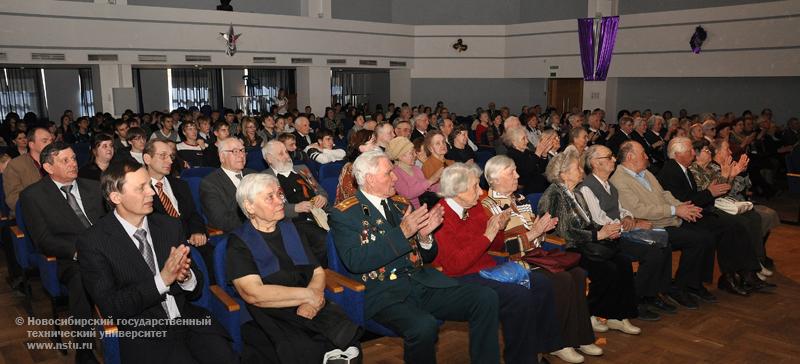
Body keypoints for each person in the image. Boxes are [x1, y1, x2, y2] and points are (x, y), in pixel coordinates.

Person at [330, 150, 500, 364]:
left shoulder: (401, 204)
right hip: (383, 293)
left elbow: (426, 256)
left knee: (485, 298)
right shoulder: (345, 214)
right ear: (369, 179)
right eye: (389, 173)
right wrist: (402, 233)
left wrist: (425, 237)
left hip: (419, 282)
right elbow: (355, 261)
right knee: (423, 326)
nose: (395, 177)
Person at [77, 158, 236, 363]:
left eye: (149, 185)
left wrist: (185, 277)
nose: (151, 192)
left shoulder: (169, 226)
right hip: (145, 333)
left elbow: (196, 290)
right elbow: (111, 308)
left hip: (189, 320)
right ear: (116, 196)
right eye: (141, 188)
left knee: (226, 356)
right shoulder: (93, 242)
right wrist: (162, 280)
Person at [434, 163, 577, 364]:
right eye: (475, 186)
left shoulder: (473, 208)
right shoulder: (441, 216)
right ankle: (521, 359)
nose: (481, 191)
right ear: (458, 191)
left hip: (486, 269)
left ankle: (539, 350)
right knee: (518, 296)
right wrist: (488, 234)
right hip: (460, 278)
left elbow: (497, 245)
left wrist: (498, 228)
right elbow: (456, 265)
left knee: (541, 284)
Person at [226, 173, 361, 363]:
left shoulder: (291, 228)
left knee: (349, 340)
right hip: (270, 311)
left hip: (309, 301)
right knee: (303, 349)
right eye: (270, 197)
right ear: (249, 206)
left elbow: (317, 271)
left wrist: (312, 301)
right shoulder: (239, 242)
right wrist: (307, 296)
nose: (280, 201)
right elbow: (253, 293)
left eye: (279, 194)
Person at [481, 155, 598, 364]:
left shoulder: (520, 199)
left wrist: (542, 229)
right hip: (512, 263)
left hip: (535, 256)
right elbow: (497, 247)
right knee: (561, 279)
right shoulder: (487, 206)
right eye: (512, 172)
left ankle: (578, 337)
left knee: (577, 273)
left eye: (516, 170)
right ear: (495, 178)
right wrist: (534, 234)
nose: (518, 175)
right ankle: (556, 343)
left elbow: (535, 232)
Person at [537, 151, 641, 338]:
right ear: (563, 174)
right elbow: (563, 231)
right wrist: (597, 235)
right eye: (576, 167)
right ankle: (592, 312)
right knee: (606, 269)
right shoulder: (553, 194)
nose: (580, 170)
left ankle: (618, 316)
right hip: (566, 247)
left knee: (623, 262)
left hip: (585, 243)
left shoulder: (575, 192)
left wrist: (605, 229)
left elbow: (589, 222)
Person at [21, 142, 106, 364]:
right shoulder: (33, 195)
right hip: (70, 258)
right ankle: (84, 349)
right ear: (48, 168)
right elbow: (43, 240)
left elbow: (110, 223)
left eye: (74, 159)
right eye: (65, 160)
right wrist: (78, 252)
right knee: (81, 278)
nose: (73, 164)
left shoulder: (94, 187)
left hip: (105, 249)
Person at [609, 140, 719, 307]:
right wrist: (675, 210)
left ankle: (691, 284)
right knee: (698, 239)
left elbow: (664, 194)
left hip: (668, 219)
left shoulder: (645, 172)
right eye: (643, 154)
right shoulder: (619, 179)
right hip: (654, 225)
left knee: (707, 234)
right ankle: (680, 287)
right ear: (630, 157)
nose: (647, 157)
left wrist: (681, 207)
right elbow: (639, 210)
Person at [656, 137, 772, 295]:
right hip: (683, 216)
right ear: (677, 154)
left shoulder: (682, 168)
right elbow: (683, 201)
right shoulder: (671, 171)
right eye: (690, 150)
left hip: (695, 211)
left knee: (734, 226)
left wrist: (713, 189)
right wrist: (709, 192)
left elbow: (691, 197)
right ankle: (721, 278)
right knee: (722, 228)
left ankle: (746, 273)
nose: (693, 153)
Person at [579, 145, 674, 319]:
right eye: (609, 157)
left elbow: (622, 210)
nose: (614, 160)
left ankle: (653, 295)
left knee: (664, 246)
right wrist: (630, 225)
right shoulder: (588, 187)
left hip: (619, 233)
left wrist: (629, 217)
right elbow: (598, 220)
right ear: (595, 163)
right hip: (605, 239)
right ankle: (637, 300)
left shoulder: (609, 185)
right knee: (652, 253)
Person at [689, 139, 778, 277]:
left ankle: (757, 262)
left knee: (753, 217)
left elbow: (725, 188)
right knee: (742, 223)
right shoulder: (693, 170)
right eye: (707, 150)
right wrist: (728, 176)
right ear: (696, 154)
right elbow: (710, 192)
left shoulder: (711, 168)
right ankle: (749, 268)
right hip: (710, 207)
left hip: (722, 202)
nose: (710, 152)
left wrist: (733, 175)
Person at [262, 140, 329, 266]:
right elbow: (269, 207)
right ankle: (319, 273)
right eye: (281, 154)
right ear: (269, 159)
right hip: (294, 221)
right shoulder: (265, 178)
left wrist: (322, 198)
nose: (287, 156)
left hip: (320, 214)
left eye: (286, 152)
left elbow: (321, 190)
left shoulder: (302, 169)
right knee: (322, 239)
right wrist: (295, 208)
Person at [143, 138, 209, 259]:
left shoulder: (180, 185)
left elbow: (193, 213)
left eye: (171, 156)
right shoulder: (140, 190)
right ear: (147, 159)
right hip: (163, 248)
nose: (170, 161)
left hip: (191, 242)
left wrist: (197, 231)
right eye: (163, 156)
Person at [200, 138, 257, 232]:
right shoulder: (209, 183)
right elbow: (221, 220)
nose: (241, 155)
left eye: (242, 150)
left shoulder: (254, 175)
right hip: (238, 232)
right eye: (234, 151)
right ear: (222, 157)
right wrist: (257, 221)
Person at [5, 127, 53, 214]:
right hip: (34, 212)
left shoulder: (56, 161)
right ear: (31, 145)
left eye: (51, 141)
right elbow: (13, 199)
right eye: (45, 141)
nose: (50, 144)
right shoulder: (16, 165)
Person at [387, 137, 441, 210]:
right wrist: (431, 180)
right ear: (401, 156)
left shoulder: (416, 168)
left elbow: (428, 188)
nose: (415, 155)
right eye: (411, 153)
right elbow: (408, 194)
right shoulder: (395, 172)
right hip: (412, 212)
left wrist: (447, 186)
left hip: (425, 208)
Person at [502, 126, 552, 194]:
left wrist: (544, 154)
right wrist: (537, 153)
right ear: (514, 142)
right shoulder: (511, 155)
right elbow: (527, 171)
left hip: (538, 183)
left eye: (526, 137)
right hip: (527, 189)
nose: (527, 141)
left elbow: (541, 169)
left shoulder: (526, 151)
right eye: (523, 139)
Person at [334, 129, 377, 204]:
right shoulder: (350, 168)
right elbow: (350, 196)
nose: (377, 146)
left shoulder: (376, 163)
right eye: (373, 142)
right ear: (361, 147)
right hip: (353, 207)